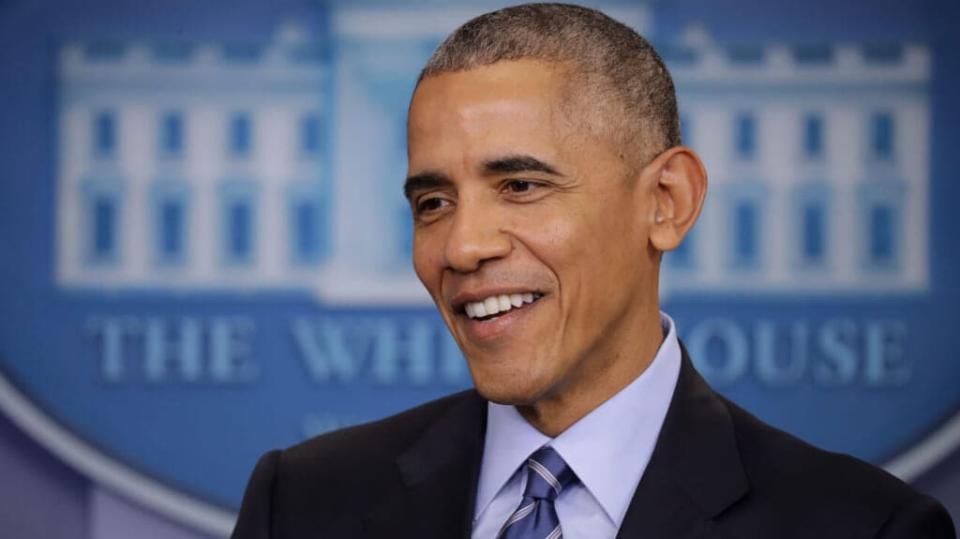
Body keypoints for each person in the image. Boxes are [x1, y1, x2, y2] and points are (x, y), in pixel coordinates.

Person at [232, 4, 956, 538]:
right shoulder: (300, 504)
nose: (460, 246)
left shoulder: (867, 530)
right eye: (433, 201)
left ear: (666, 203)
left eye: (520, 185)